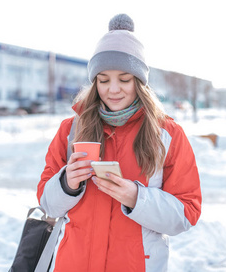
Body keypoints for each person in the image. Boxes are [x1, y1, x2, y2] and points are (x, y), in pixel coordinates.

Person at [37, 14, 202, 272]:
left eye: (124, 79)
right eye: (103, 80)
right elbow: (46, 204)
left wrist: (137, 198)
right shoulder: (71, 130)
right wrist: (67, 184)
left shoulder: (167, 135)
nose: (113, 89)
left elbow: (186, 213)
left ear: (140, 82)